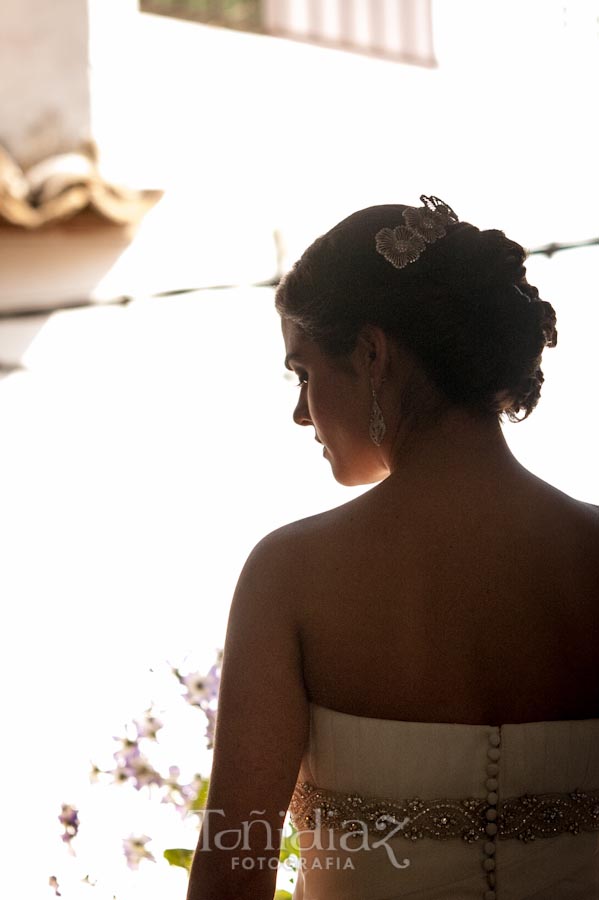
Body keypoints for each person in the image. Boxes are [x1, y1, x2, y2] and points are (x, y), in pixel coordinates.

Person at [186, 196, 599, 900]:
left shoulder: (291, 576)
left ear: (371, 353)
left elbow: (234, 868)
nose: (298, 411)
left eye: (302, 372)